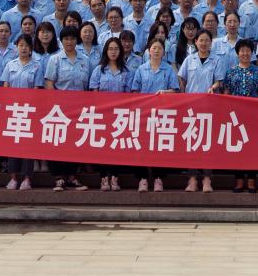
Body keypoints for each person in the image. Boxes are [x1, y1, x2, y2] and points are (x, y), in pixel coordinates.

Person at [216, 38, 258, 193]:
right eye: (242, 50)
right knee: (237, 146)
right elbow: (226, 93)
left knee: (253, 147)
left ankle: (251, 180)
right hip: (235, 116)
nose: (245, 53)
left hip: (254, 115)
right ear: (237, 53)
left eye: (248, 50)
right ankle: (238, 179)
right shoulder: (231, 72)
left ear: (252, 53)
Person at [44, 27, 93, 191]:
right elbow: (49, 83)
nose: (69, 42)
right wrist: (56, 104)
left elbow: (88, 85)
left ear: (76, 40)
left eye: (72, 38)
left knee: (75, 142)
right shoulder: (55, 59)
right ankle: (58, 177)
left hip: (79, 109)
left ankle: (72, 176)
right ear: (61, 41)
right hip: (60, 109)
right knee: (57, 142)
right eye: (66, 39)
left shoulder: (85, 60)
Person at [128, 37, 178, 193]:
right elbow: (135, 90)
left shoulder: (168, 69)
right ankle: (142, 178)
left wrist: (165, 92)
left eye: (159, 48)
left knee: (159, 146)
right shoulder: (141, 69)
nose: (156, 51)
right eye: (153, 48)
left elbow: (175, 90)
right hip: (144, 113)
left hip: (163, 113)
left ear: (164, 52)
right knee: (141, 145)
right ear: (148, 51)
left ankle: (158, 178)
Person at [179, 28, 224, 192]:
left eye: (207, 40)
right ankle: (192, 179)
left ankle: (206, 178)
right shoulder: (189, 60)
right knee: (191, 143)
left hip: (209, 107)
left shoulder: (217, 60)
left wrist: (214, 86)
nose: (204, 43)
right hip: (191, 108)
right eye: (201, 40)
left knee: (207, 144)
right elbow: (182, 79)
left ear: (211, 43)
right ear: (196, 42)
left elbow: (219, 81)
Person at [0, 35, 45, 190]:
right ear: (16, 47)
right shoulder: (10, 65)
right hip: (13, 110)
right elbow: (5, 87)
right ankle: (13, 178)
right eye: (20, 45)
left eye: (26, 45)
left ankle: (26, 178)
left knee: (28, 146)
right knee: (12, 145)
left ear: (31, 48)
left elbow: (37, 89)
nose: (23, 48)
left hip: (29, 111)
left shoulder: (37, 66)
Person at [89, 37, 134, 191]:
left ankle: (114, 176)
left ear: (120, 51)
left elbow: (129, 95)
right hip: (103, 114)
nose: (113, 52)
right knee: (103, 147)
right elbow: (94, 91)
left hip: (119, 115)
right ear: (106, 51)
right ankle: (103, 177)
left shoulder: (127, 71)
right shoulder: (99, 70)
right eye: (110, 49)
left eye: (116, 49)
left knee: (116, 147)